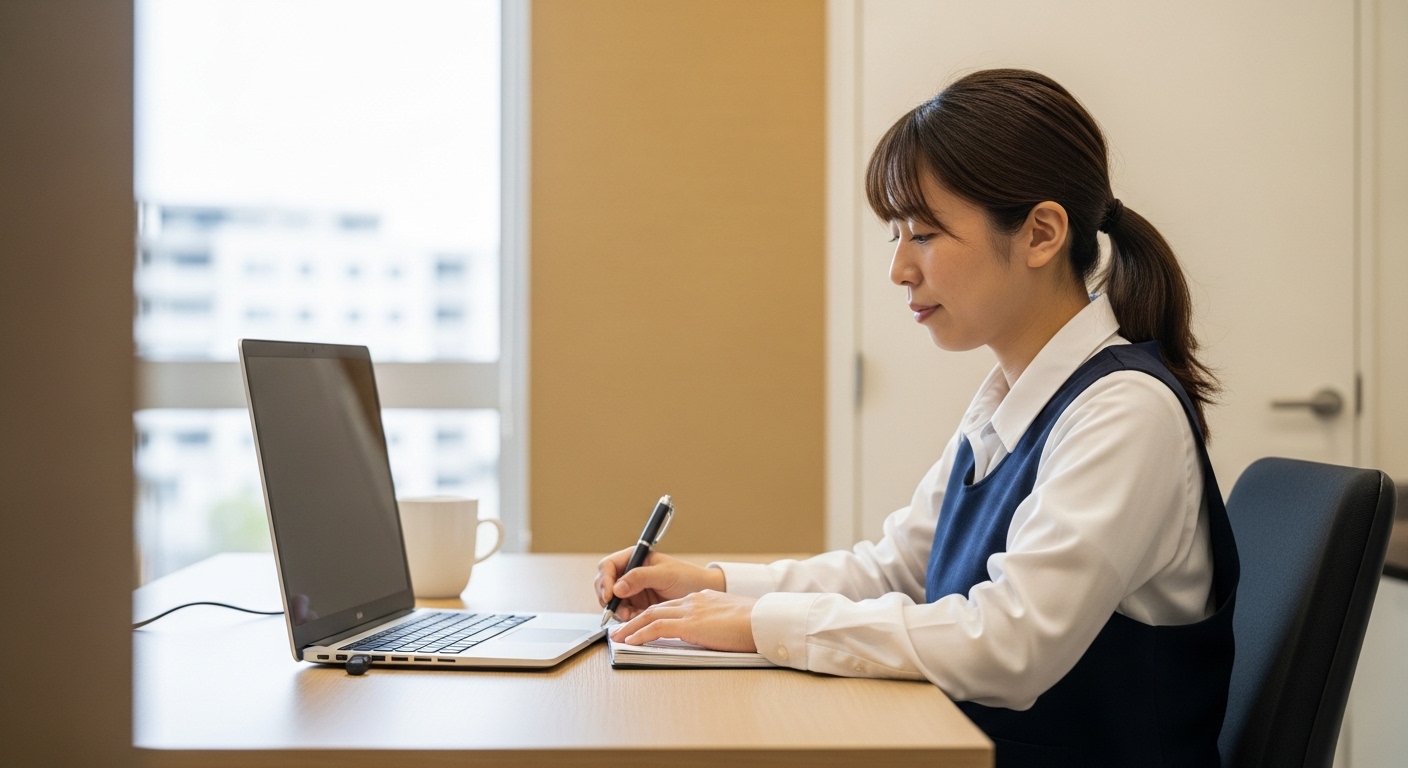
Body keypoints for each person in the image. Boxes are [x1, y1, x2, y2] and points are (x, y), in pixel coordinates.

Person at [594, 68, 1238, 767]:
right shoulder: (1009, 400)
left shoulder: (1125, 413)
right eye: (896, 235)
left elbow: (1010, 643)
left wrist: (759, 623)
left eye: (924, 235)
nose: (900, 269)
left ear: (1041, 234)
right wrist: (715, 586)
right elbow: (898, 569)